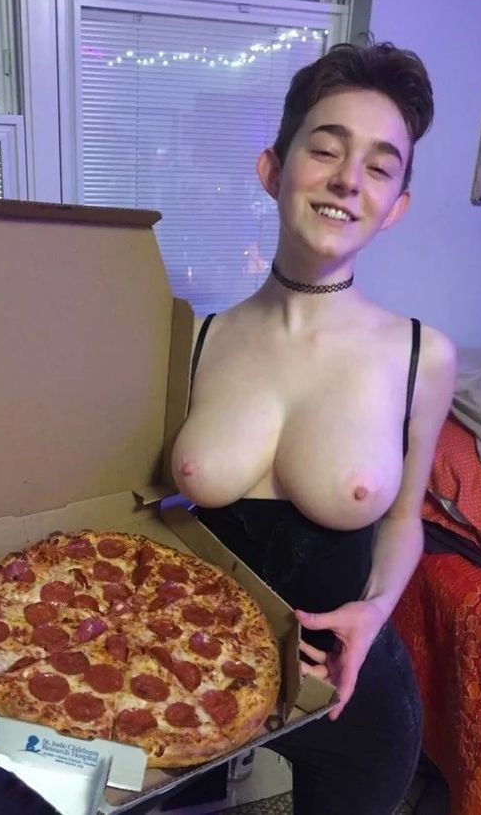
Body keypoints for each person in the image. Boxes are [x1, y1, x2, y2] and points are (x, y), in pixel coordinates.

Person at [171, 39, 456, 814]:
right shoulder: (192, 341)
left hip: (351, 698)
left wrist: (375, 610)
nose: (347, 180)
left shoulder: (421, 356)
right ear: (273, 169)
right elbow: (140, 514)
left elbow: (404, 520)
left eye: (379, 167)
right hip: (197, 682)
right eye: (326, 149)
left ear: (395, 207)